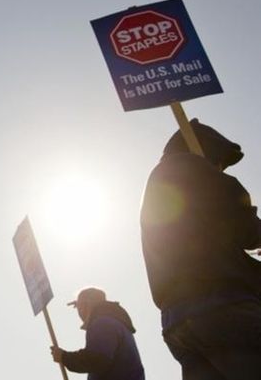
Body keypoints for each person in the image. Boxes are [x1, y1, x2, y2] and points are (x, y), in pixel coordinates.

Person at [140, 119, 261, 379]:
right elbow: (243, 224)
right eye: (219, 162)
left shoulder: (160, 179)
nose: (219, 168)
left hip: (177, 321)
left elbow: (203, 245)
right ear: (206, 149)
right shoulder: (194, 168)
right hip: (223, 306)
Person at [50, 287, 145, 380]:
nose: (79, 312)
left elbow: (96, 359)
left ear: (86, 305)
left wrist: (64, 357)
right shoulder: (115, 323)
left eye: (80, 306)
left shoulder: (102, 323)